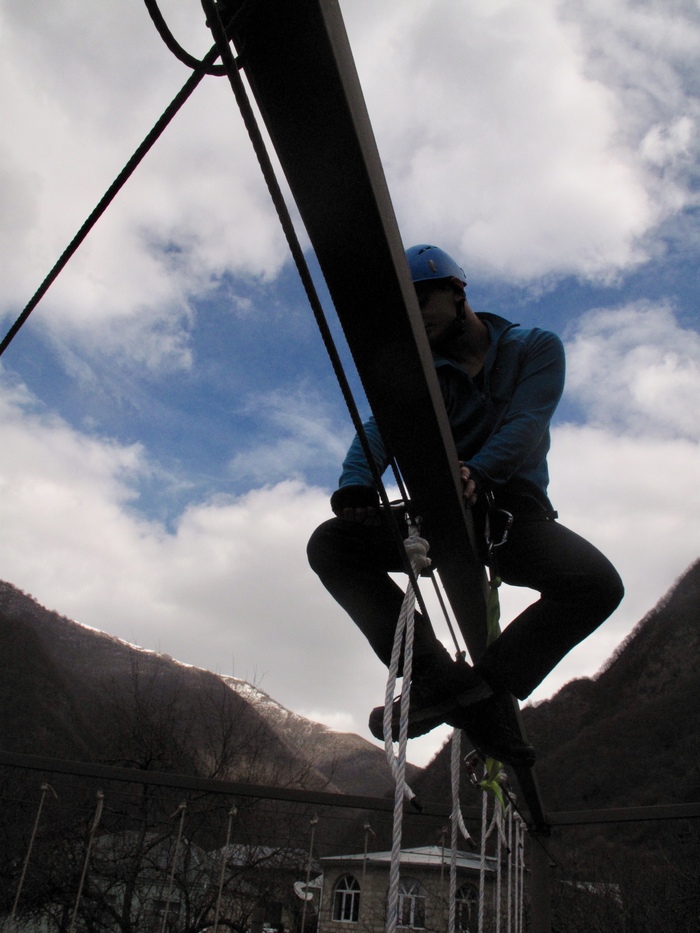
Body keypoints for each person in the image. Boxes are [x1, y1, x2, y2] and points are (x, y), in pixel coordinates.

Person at [307, 244, 624, 765]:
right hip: (441, 505)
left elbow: (528, 422)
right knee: (333, 544)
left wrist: (479, 470)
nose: (413, 318)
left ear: (456, 292)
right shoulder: (421, 371)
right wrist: (358, 483)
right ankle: (437, 678)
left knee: (595, 586)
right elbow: (381, 426)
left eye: (420, 300)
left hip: (508, 512)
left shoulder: (533, 347)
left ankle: (483, 690)